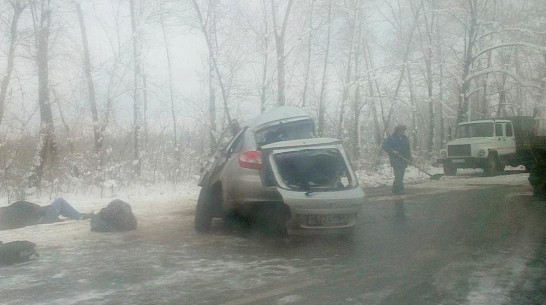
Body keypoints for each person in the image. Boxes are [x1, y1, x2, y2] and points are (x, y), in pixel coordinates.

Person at [0, 198, 91, 231]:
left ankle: (77, 215)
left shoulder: (8, 212)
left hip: (41, 216)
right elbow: (30, 214)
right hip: (43, 218)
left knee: (58, 206)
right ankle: (79, 216)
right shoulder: (10, 213)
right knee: (60, 202)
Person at [383, 125, 412, 195]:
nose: (403, 132)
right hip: (395, 159)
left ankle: (395, 190)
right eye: (401, 130)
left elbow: (408, 149)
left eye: (404, 130)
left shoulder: (405, 138)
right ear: (397, 130)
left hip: (404, 159)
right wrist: (393, 151)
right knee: (399, 175)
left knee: (400, 175)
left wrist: (410, 158)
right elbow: (385, 147)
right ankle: (400, 190)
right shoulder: (392, 138)